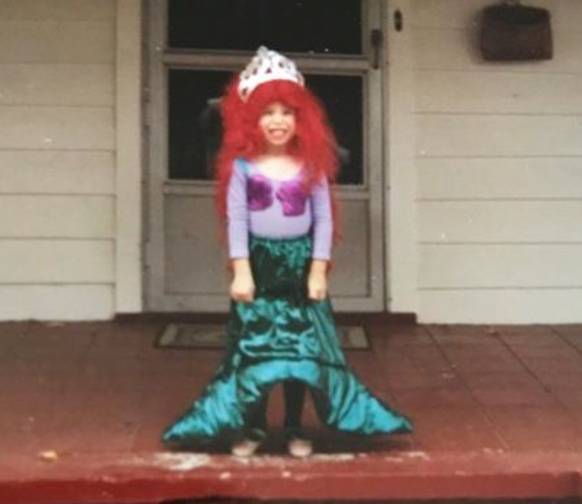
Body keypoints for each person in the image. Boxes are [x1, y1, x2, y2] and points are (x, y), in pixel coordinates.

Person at [162, 46, 412, 458]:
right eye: (267, 112)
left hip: (299, 267)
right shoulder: (243, 168)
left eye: (287, 112)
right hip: (260, 266)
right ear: (251, 120)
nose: (277, 121)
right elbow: (237, 221)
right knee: (255, 350)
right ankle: (255, 426)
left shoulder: (310, 166)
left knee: (300, 352)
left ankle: (296, 425)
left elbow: (324, 222)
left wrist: (318, 271)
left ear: (301, 120)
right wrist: (241, 271)